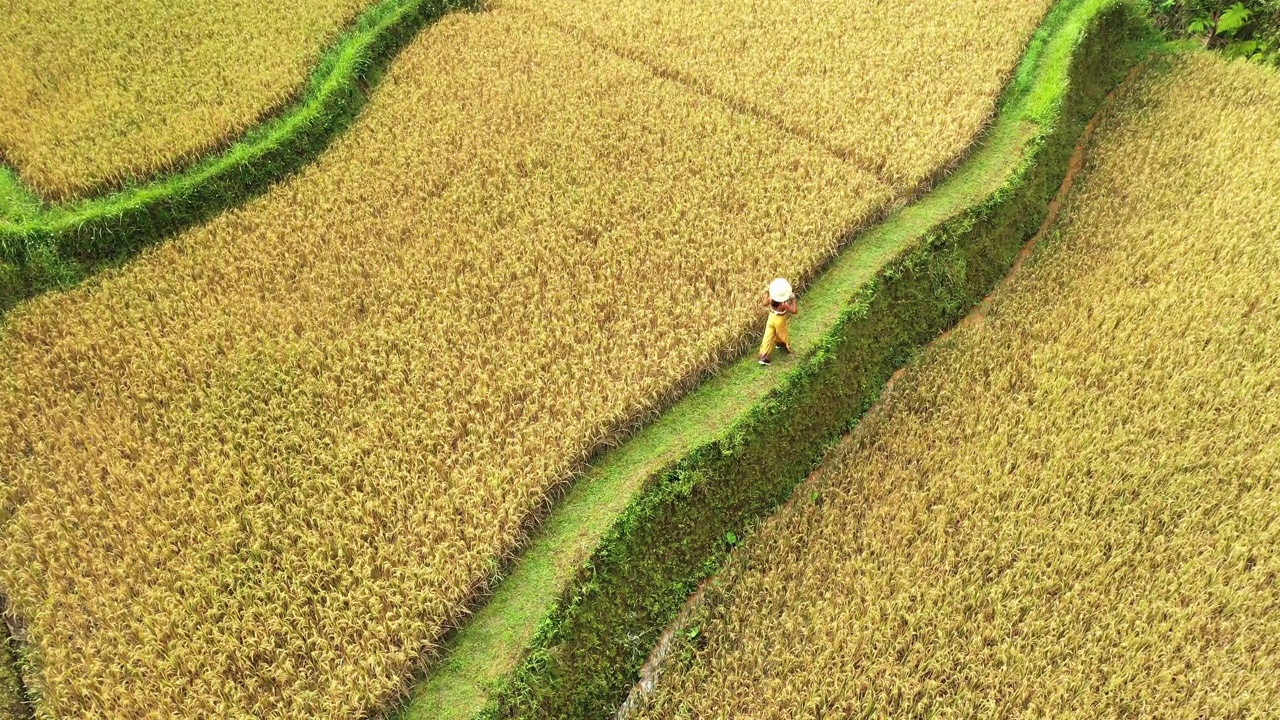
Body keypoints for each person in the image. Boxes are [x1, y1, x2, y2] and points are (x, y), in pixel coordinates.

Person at [758, 277, 797, 366]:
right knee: (782, 333)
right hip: (779, 320)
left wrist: (767, 293)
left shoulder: (771, 299)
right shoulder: (783, 304)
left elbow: (764, 304)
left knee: (768, 336)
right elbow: (794, 311)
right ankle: (784, 346)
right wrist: (794, 300)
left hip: (771, 318)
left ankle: (764, 357)